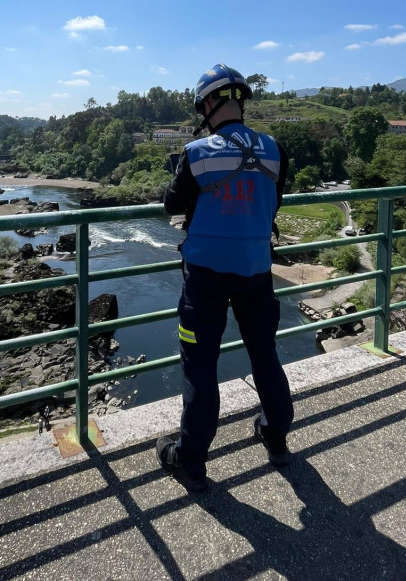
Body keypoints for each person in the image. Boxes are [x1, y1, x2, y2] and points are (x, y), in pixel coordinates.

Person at [156, 63, 294, 492]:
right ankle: (276, 437)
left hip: (205, 278)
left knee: (200, 367)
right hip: (256, 271)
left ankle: (191, 460)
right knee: (264, 355)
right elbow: (273, 202)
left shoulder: (197, 153)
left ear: (209, 104)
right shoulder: (274, 150)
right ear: (239, 101)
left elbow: (171, 205)